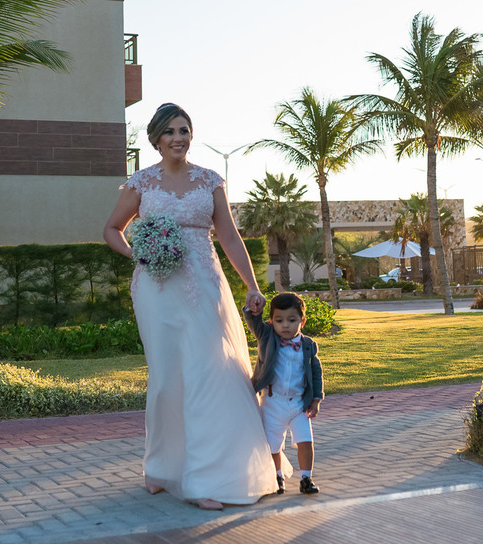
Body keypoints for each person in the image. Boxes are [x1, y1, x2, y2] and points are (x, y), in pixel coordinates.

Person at [103, 102, 277, 510]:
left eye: (184, 130)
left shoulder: (210, 181)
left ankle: (206, 478)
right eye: (170, 131)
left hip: (204, 284)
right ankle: (160, 469)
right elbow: (111, 229)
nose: (178, 138)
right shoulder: (141, 182)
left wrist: (252, 285)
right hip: (157, 287)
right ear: (156, 139)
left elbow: (229, 237)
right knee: (166, 378)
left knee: (208, 371)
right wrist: (138, 253)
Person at [243, 292, 324, 495]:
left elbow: (316, 373)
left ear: (302, 322)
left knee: (305, 441)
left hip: (299, 404)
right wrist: (252, 310)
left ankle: (306, 478)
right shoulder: (267, 337)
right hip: (273, 403)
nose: (285, 325)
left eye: (291, 320)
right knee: (273, 445)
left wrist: (316, 400)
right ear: (271, 321)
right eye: (279, 321)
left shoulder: (308, 345)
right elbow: (254, 324)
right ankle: (277, 476)